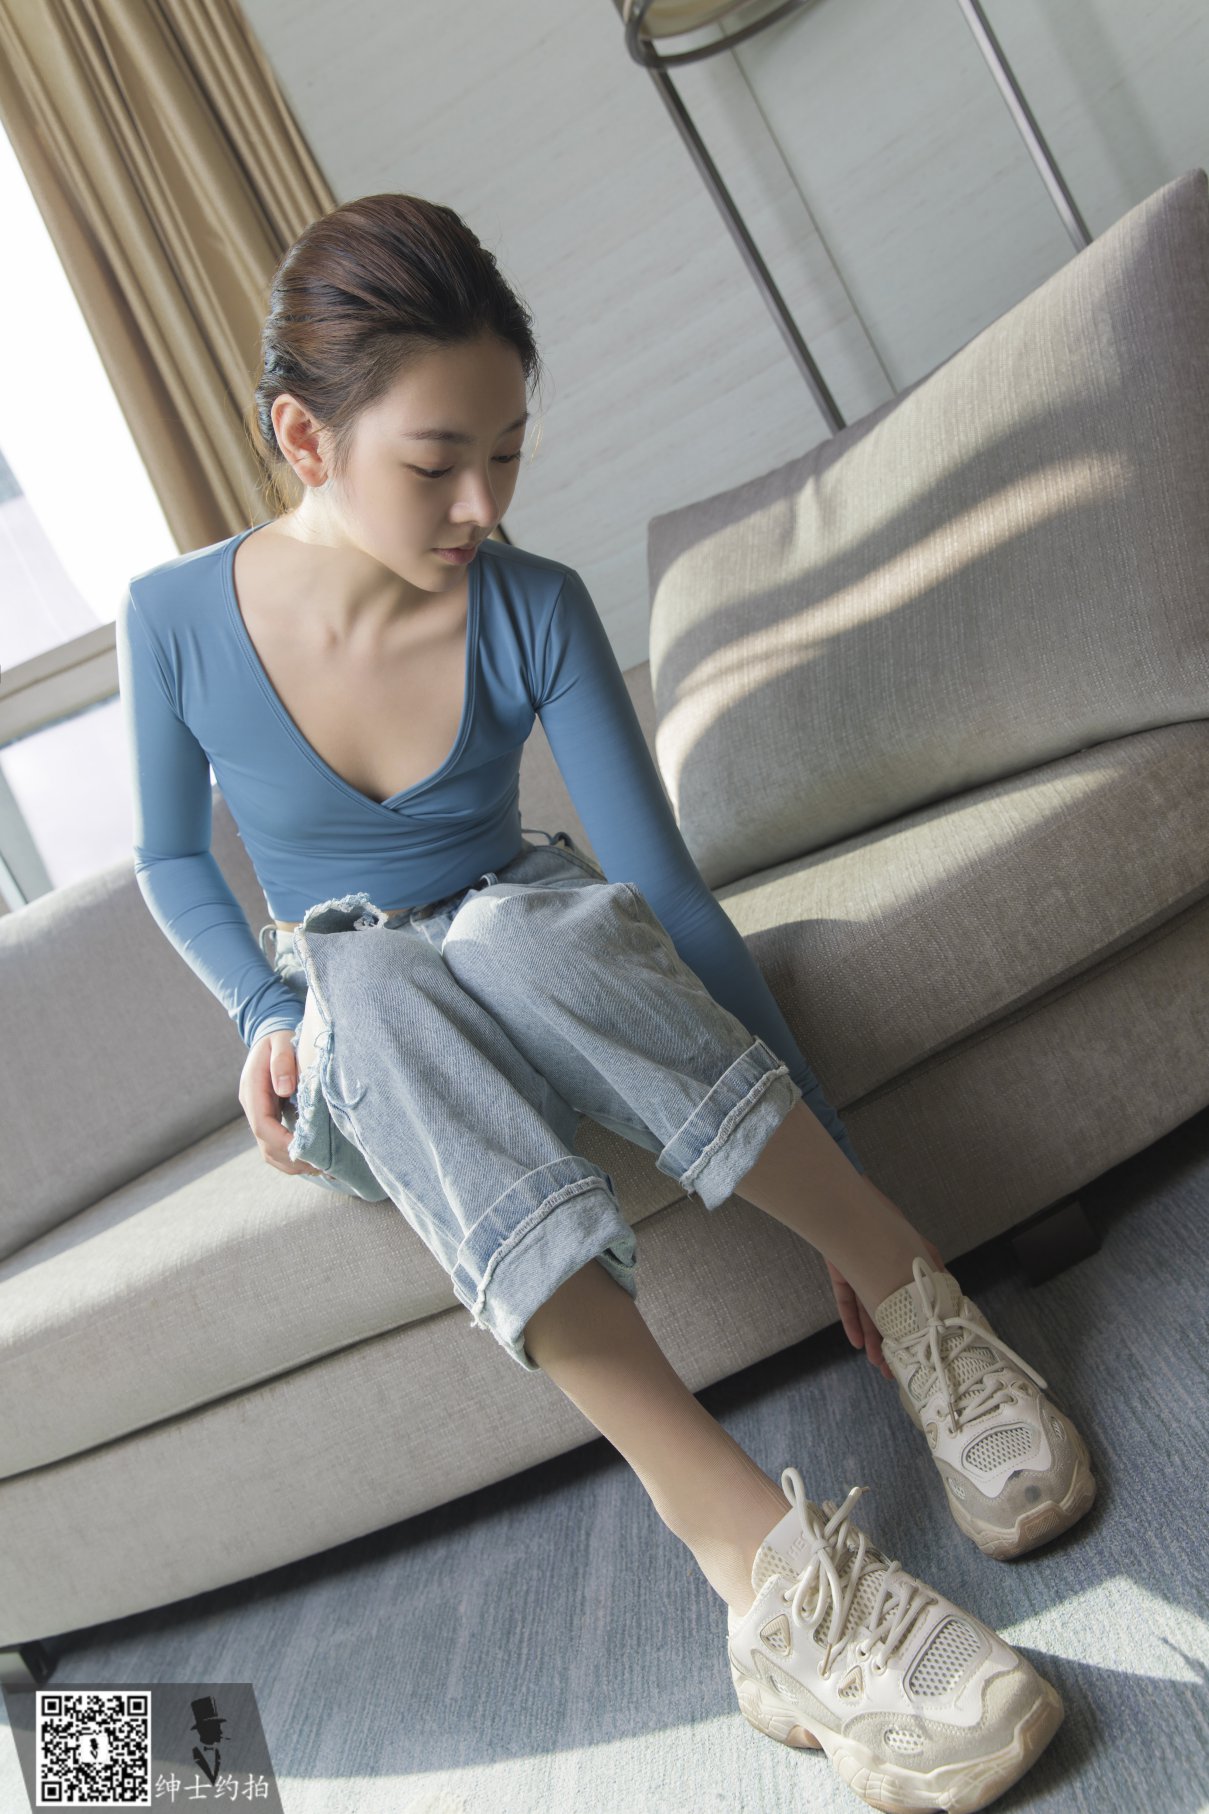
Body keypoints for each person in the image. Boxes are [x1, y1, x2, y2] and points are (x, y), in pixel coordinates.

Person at [115, 192, 1096, 1811]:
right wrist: (256, 1010)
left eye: (507, 451)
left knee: (522, 934)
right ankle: (765, 1577)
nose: (483, 503)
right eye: (438, 461)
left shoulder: (529, 602)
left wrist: (842, 1177)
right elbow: (169, 856)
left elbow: (670, 902)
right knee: (372, 971)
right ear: (303, 437)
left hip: (532, 951)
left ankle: (913, 1291)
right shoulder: (172, 623)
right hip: (365, 1021)